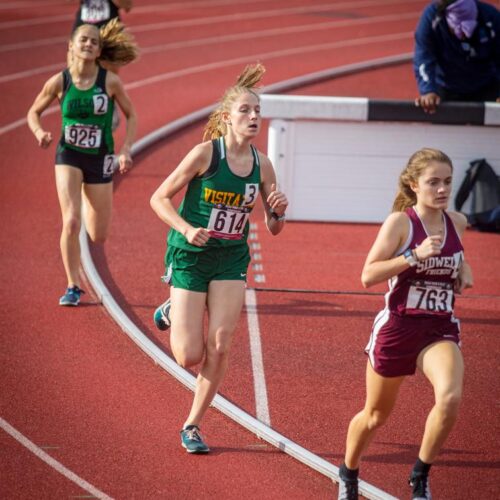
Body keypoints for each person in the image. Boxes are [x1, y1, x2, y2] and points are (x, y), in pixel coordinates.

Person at [150, 63, 288, 454]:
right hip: (192, 254)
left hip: (230, 258)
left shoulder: (264, 166)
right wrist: (185, 228)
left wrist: (277, 211)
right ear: (228, 117)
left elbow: (274, 227)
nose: (254, 117)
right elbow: (158, 198)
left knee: (222, 343)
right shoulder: (204, 154)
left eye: (258, 111)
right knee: (187, 354)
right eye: (245, 111)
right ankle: (174, 310)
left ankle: (192, 424)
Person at [337, 148, 474, 500]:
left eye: (447, 182)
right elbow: (368, 275)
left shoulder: (456, 222)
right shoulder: (400, 223)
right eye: (433, 182)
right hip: (399, 327)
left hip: (438, 328)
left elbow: (459, 258)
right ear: (414, 185)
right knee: (375, 415)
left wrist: (464, 269)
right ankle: (349, 471)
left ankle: (420, 474)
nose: (442, 189)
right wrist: (413, 255)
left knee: (450, 397)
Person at [27, 20, 138, 306]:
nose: (88, 44)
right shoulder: (59, 81)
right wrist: (39, 131)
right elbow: (33, 112)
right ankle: (73, 285)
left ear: (99, 50)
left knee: (98, 235)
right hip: (69, 155)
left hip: (100, 157)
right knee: (72, 221)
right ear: (72, 46)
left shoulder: (109, 81)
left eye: (94, 41)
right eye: (83, 40)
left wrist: (125, 148)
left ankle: (89, 198)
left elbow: (132, 115)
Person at [413, 0, 500, 114]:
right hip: (447, 88)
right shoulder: (431, 18)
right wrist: (428, 91)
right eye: (458, 29)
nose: (464, 35)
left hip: (485, 85)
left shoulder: (491, 17)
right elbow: (423, 56)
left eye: (468, 28)